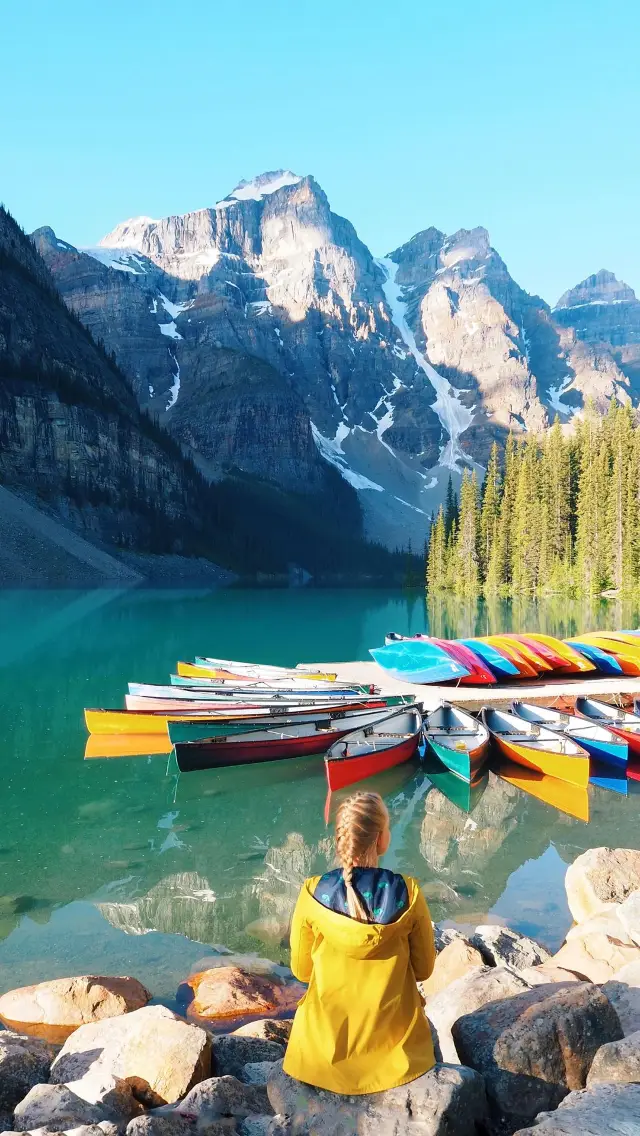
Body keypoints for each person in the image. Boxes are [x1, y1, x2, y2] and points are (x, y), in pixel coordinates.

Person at [283, 790, 436, 1094]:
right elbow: (424, 970)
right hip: (398, 1059)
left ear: (340, 840)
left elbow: (301, 971)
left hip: (319, 1059)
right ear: (382, 839)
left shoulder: (313, 892)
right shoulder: (408, 892)